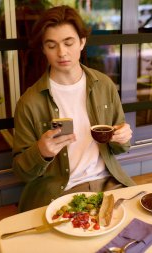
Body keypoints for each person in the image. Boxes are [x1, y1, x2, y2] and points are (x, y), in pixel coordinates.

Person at [12, 5, 136, 212]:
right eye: (51, 46)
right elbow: (21, 172)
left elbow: (121, 147)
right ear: (43, 49)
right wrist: (41, 151)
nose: (62, 53)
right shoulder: (29, 102)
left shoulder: (103, 85)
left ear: (82, 42)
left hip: (108, 182)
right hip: (58, 192)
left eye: (68, 43)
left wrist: (123, 138)